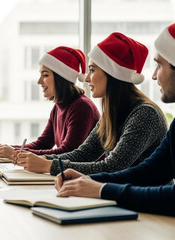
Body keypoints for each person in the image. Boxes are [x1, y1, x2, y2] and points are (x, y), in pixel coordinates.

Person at [55, 24, 175, 216]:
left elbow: (118, 167)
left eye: (159, 65)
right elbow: (151, 170)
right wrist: (94, 181)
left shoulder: (145, 114)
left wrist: (101, 188)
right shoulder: (112, 115)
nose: (153, 75)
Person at [16, 32, 167, 176]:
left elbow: (112, 167)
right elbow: (84, 154)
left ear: (113, 74)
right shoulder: (112, 113)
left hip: (142, 200)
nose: (86, 79)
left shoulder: (145, 114)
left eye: (92, 70)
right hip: (122, 195)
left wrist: (49, 166)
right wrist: (43, 161)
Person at [0, 46, 100, 158]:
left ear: (60, 78)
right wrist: (8, 149)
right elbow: (43, 144)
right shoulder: (58, 107)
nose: (39, 81)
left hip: (85, 175)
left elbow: (67, 152)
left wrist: (15, 153)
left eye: (45, 75)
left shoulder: (82, 107)